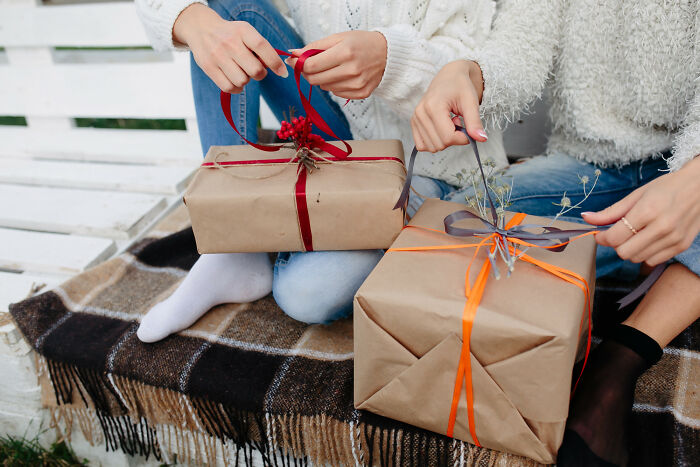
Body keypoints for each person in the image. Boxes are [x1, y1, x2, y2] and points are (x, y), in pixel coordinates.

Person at [410, 1, 700, 465]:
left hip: (692, 165)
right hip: (592, 171)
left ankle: (620, 358)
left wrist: (693, 179)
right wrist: (467, 72)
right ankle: (653, 264)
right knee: (454, 222)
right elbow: (521, 51)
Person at [133, 0, 507, 341]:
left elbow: (483, 69)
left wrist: (391, 59)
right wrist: (195, 22)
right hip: (337, 133)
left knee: (308, 293)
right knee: (222, 10)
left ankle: (259, 239)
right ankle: (231, 250)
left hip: (428, 162)